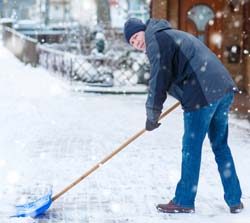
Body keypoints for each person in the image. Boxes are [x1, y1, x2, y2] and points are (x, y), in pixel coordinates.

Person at [123, 18, 243, 214]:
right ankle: (234, 199)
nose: (137, 43)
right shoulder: (168, 35)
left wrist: (152, 113)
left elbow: (158, 79)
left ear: (144, 30)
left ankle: (184, 200)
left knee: (191, 148)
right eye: (133, 43)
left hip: (202, 94)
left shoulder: (156, 40)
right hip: (222, 89)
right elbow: (175, 71)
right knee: (220, 146)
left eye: (136, 37)